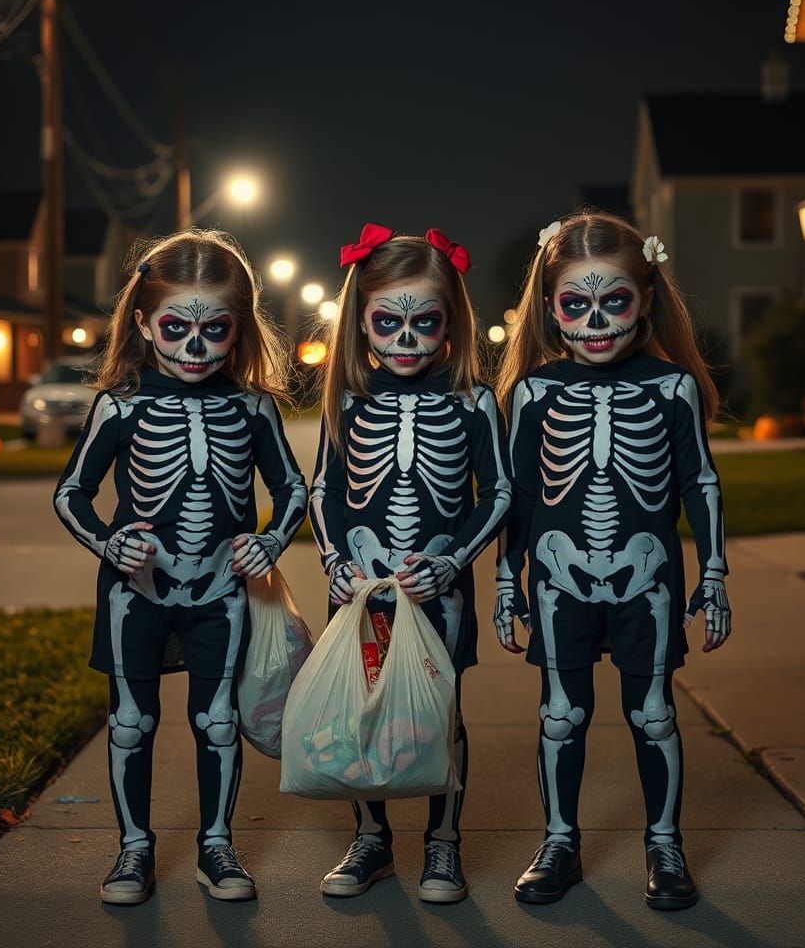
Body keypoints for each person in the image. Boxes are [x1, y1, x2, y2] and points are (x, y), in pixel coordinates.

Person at [53, 229, 307, 906]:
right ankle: (134, 849)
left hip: (220, 588)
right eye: (175, 327)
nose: (194, 347)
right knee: (131, 721)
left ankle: (215, 846)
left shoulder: (250, 407)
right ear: (142, 322)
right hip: (135, 590)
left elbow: (293, 490)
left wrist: (270, 541)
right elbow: (70, 492)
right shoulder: (122, 403)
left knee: (218, 718)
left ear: (238, 329)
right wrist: (109, 543)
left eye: (214, 330)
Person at [493, 211, 731, 911]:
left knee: (652, 712)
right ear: (550, 307)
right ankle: (559, 841)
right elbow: (521, 497)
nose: (596, 322)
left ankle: (664, 844)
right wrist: (509, 583)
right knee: (560, 715)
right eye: (576, 304)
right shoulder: (535, 393)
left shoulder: (672, 388)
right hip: (560, 579)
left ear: (647, 299)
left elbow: (701, 484)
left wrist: (714, 575)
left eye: (614, 302)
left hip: (646, 578)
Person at [308, 223, 511, 903]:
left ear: (450, 325)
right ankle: (371, 839)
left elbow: (501, 493)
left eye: (424, 322)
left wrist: (453, 561)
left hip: (439, 593)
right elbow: (324, 490)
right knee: (361, 713)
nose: (405, 338)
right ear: (360, 323)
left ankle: (444, 844)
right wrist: (333, 559)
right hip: (361, 589)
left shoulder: (474, 401)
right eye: (387, 321)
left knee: (440, 715)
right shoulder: (347, 400)